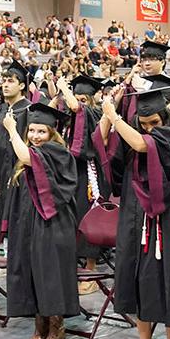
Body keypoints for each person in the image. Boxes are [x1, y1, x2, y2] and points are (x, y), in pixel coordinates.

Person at [94, 84, 170, 339]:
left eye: (156, 122)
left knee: (168, 286)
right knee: (137, 283)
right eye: (145, 122)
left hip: (166, 223)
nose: (151, 128)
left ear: (165, 117)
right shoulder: (132, 136)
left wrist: (115, 118)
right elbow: (101, 147)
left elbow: (142, 145)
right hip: (132, 219)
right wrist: (107, 112)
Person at [4, 102, 78, 339]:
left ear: (51, 133)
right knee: (33, 273)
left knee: (51, 275)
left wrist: (12, 130)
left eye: (41, 131)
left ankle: (57, 328)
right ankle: (40, 327)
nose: (35, 136)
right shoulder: (30, 153)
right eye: (31, 131)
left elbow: (26, 156)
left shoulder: (57, 152)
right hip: (30, 223)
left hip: (53, 224)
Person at [55, 75, 108, 294]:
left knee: (87, 217)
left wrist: (61, 87)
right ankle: (75, 270)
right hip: (70, 172)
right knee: (72, 219)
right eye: (76, 97)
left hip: (89, 173)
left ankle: (91, 272)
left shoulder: (94, 113)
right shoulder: (69, 120)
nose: (78, 102)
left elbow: (76, 107)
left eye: (83, 99)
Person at [0, 62, 31, 237]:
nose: (5, 85)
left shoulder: (29, 110)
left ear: (22, 85)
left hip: (22, 174)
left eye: (10, 81)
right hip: (1, 173)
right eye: (4, 81)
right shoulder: (1, 111)